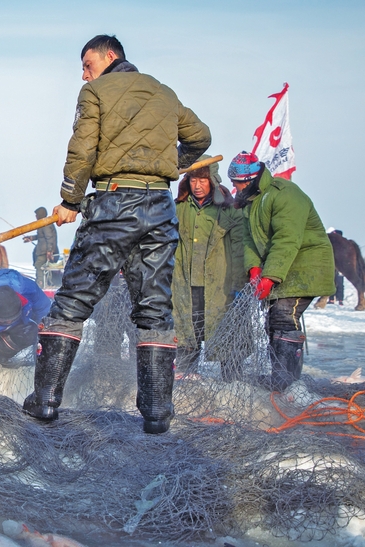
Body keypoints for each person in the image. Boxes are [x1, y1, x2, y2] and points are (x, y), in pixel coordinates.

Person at [22, 34, 211, 434]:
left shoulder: (95, 92)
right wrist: (169, 165)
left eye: (87, 64)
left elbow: (82, 148)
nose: (84, 73)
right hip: (160, 209)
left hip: (112, 204)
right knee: (155, 308)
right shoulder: (164, 92)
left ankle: (45, 402)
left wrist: (70, 200)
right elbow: (201, 138)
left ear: (110, 57)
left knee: (72, 302)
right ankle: (157, 414)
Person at [228, 151, 335, 392]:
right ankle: (281, 379)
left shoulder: (285, 194)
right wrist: (254, 268)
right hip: (282, 265)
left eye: (240, 182)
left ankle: (287, 383)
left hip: (305, 265)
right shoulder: (251, 202)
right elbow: (248, 238)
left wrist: (270, 277)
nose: (236, 187)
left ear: (253, 178)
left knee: (284, 316)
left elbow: (286, 239)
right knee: (273, 323)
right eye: (234, 183)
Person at [172, 155, 245, 372]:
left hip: (220, 287)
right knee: (186, 337)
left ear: (212, 180)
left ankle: (232, 384)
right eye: (193, 180)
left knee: (227, 338)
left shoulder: (230, 209)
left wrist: (239, 283)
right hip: (185, 286)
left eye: (202, 181)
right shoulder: (179, 208)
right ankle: (186, 383)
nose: (197, 186)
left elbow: (240, 247)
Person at [0, 269, 52, 394]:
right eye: (4, 321)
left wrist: (44, 357)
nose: (8, 323)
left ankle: (2, 353)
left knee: (32, 333)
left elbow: (45, 312)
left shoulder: (29, 289)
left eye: (10, 320)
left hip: (21, 322)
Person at [23, 207, 59, 288]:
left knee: (39, 265)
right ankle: (43, 282)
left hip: (44, 252)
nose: (36, 217)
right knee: (40, 266)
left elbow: (49, 238)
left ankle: (41, 284)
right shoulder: (44, 224)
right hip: (43, 251)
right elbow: (41, 236)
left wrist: (49, 251)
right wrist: (31, 238)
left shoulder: (45, 224)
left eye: (36, 215)